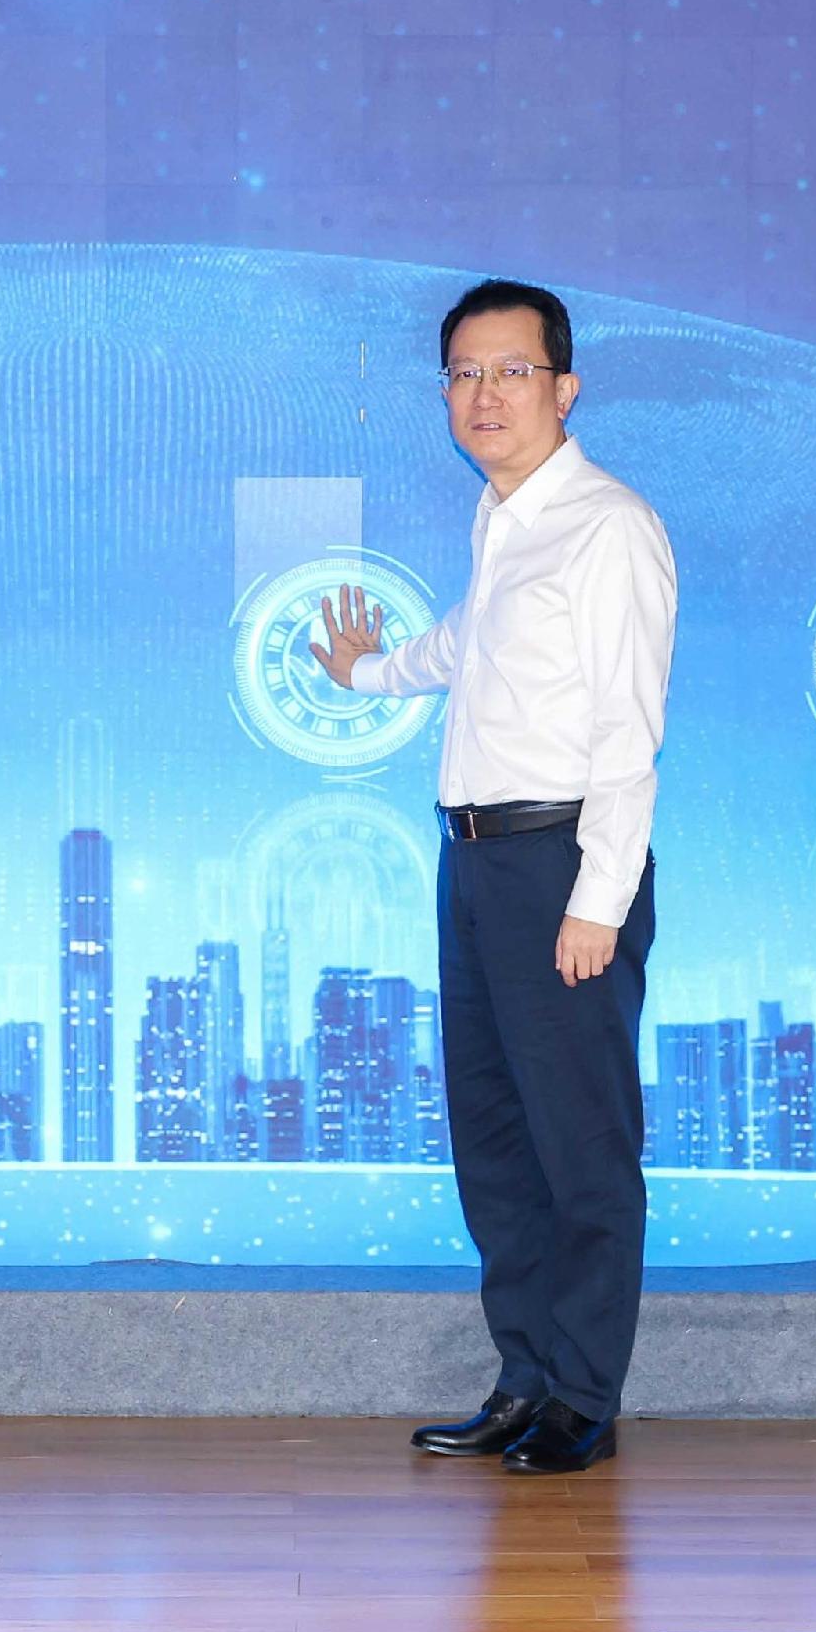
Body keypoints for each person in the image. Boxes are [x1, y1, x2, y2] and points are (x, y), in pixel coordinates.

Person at [311, 278, 678, 1476]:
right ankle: (524, 1377)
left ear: (564, 388)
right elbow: (469, 647)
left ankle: (584, 1393)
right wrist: (368, 673)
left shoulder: (607, 524)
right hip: (473, 861)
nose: (484, 394)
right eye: (463, 373)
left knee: (579, 1147)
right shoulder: (506, 520)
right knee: (499, 1145)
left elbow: (630, 729)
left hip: (560, 865)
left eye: (510, 370)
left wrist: (597, 897)